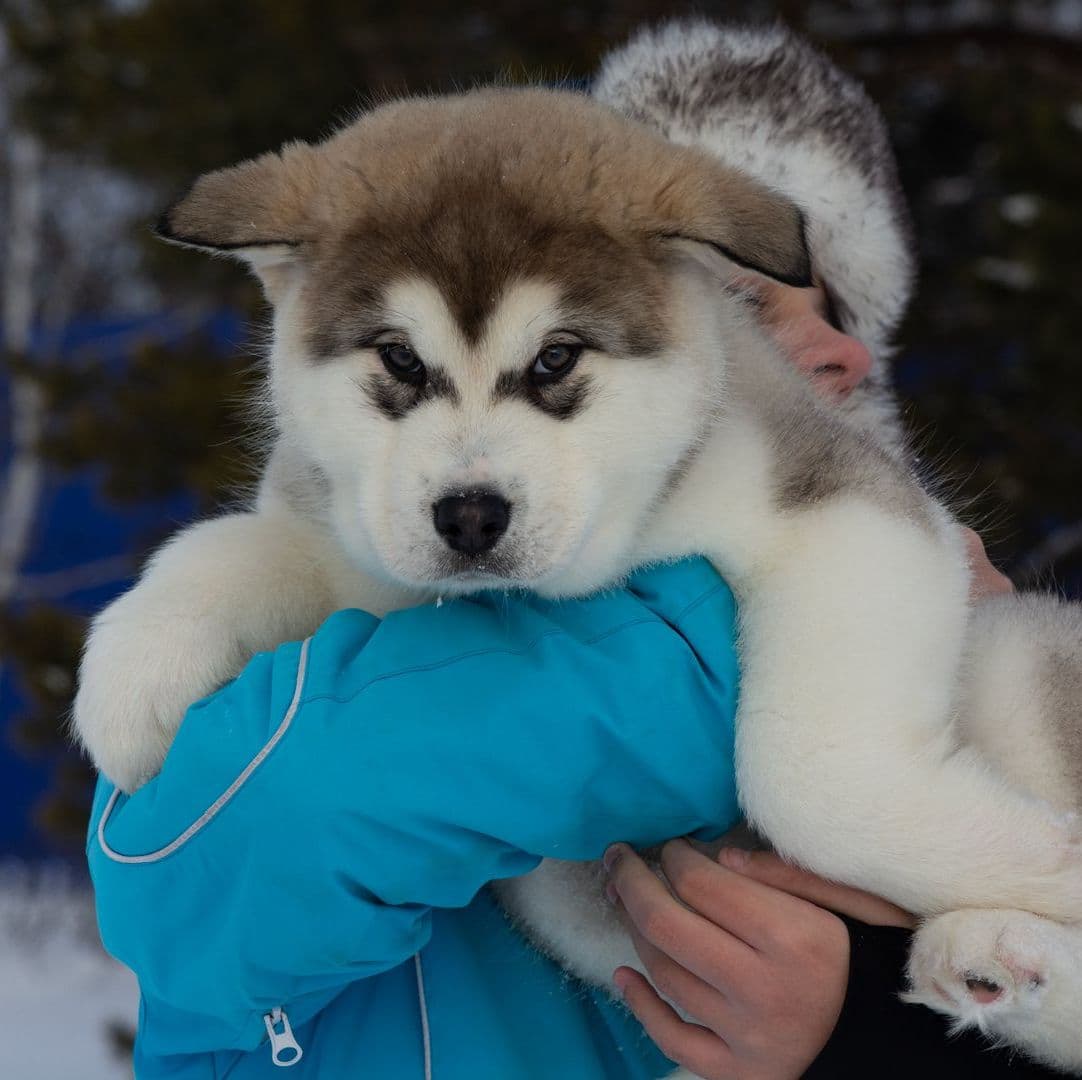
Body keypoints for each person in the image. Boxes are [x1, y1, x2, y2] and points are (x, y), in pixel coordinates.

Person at [87, 20, 1040, 1080]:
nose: (825, 347)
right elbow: (252, 831)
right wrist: (715, 664)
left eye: (840, 310)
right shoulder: (313, 626)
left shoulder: (951, 656)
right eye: (749, 304)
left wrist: (863, 1024)